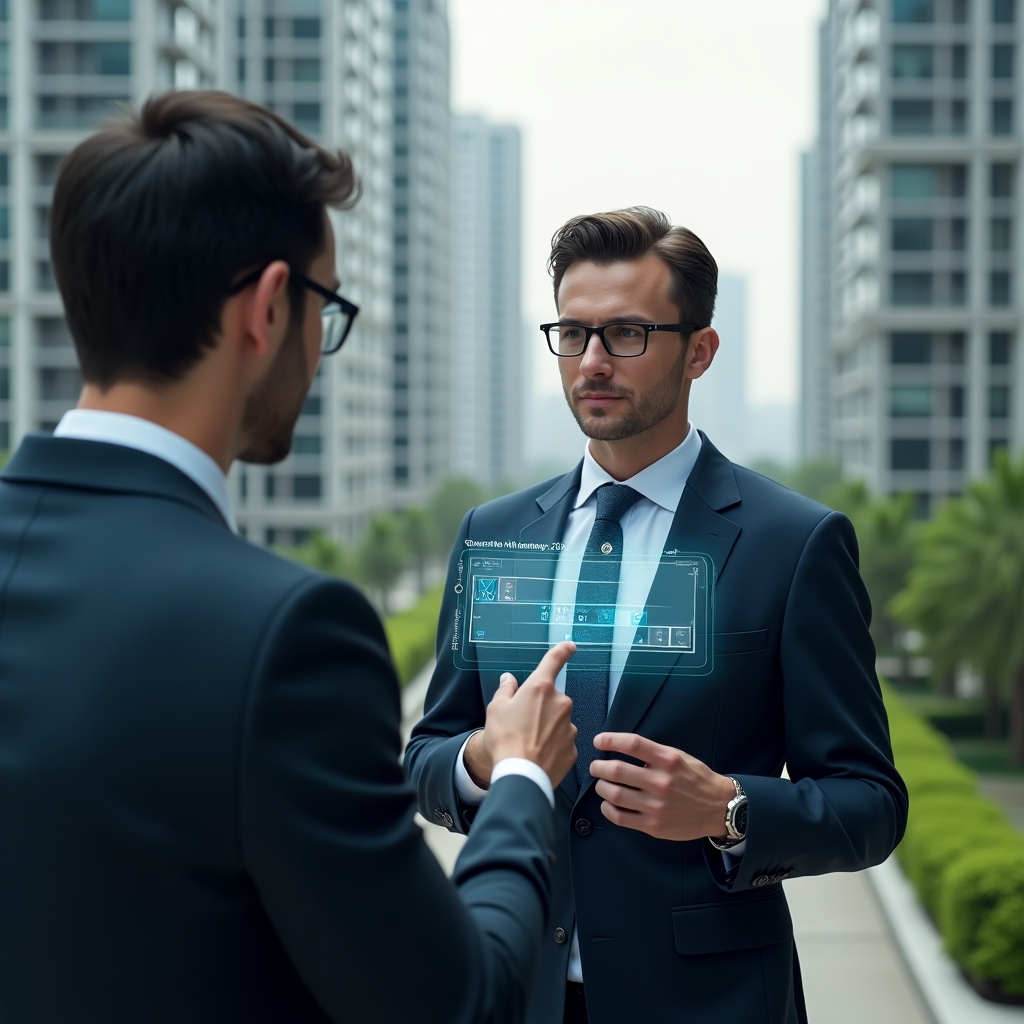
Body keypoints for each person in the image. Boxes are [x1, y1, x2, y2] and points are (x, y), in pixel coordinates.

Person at [0, 90, 581, 1024]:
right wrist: (519, 778)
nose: (322, 347)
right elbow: (459, 1005)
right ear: (270, 307)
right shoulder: (283, 637)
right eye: (327, 307)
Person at [405, 207, 909, 1024]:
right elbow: (427, 752)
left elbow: (871, 803)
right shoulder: (493, 534)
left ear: (699, 350)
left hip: (710, 1001)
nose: (593, 362)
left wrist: (729, 811)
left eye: (628, 334)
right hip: (516, 990)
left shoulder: (793, 543)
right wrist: (483, 761)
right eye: (573, 334)